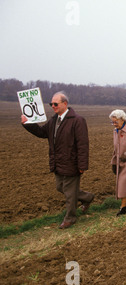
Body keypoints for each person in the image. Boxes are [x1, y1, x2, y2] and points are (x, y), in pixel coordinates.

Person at [21, 91, 94, 229]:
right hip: (58, 162)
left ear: (65, 104)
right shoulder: (54, 120)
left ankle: (70, 218)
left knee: (69, 193)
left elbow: (83, 144)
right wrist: (28, 123)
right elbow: (43, 133)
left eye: (55, 104)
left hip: (72, 162)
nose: (53, 106)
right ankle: (87, 197)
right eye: (51, 104)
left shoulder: (77, 120)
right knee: (60, 187)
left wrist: (82, 164)